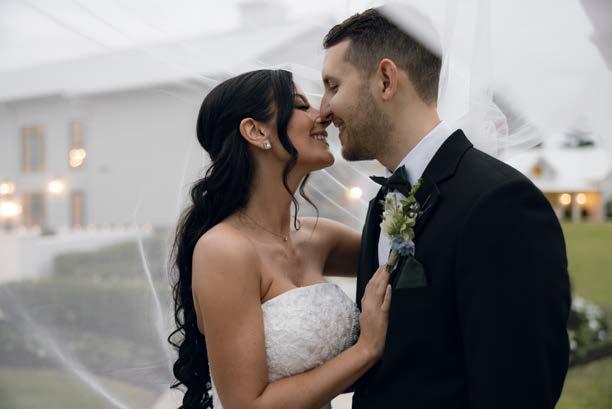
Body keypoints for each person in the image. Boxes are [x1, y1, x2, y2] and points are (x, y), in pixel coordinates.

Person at [319, 8, 571, 409]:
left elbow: (517, 389)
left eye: (333, 86)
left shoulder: (500, 204)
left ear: (386, 80)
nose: (323, 110)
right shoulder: (383, 202)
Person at [169, 69, 391, 409]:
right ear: (256, 131)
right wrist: (366, 350)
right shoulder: (223, 250)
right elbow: (247, 405)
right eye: (300, 105)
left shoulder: (319, 237)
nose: (322, 114)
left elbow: (406, 259)